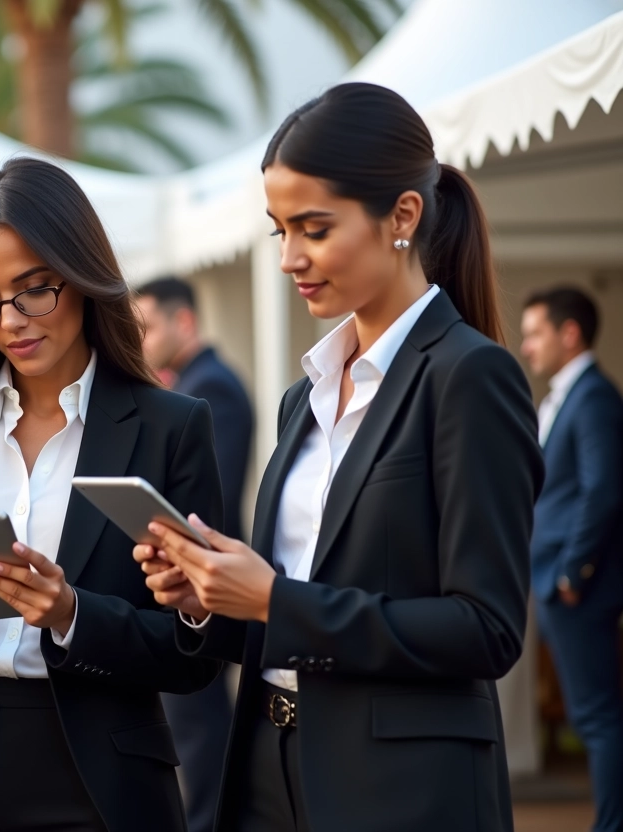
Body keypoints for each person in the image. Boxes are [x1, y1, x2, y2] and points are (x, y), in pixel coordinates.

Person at [137, 82, 544, 832]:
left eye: (314, 228)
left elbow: (485, 629)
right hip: (269, 768)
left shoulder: (469, 376)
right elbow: (292, 610)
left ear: (403, 216)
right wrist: (208, 600)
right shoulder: (306, 395)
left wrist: (273, 600)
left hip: (402, 790)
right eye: (278, 231)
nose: (291, 257)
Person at [0, 157, 223, 832]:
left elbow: (197, 656)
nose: (11, 321)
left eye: (35, 290)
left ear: (84, 274)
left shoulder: (171, 426)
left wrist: (70, 613)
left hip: (99, 776)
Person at [136, 276, 252, 832]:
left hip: (208, 579)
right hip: (188, 579)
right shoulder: (194, 382)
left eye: (148, 326)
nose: (141, 339)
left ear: (185, 322)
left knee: (200, 722)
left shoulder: (213, 388)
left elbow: (211, 498)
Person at [520, 287, 623, 832]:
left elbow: (602, 490)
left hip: (577, 586)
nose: (526, 345)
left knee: (598, 717)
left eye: (535, 332)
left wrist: (571, 573)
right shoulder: (563, 397)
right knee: (592, 717)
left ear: (570, 333)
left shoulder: (594, 398)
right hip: (558, 581)